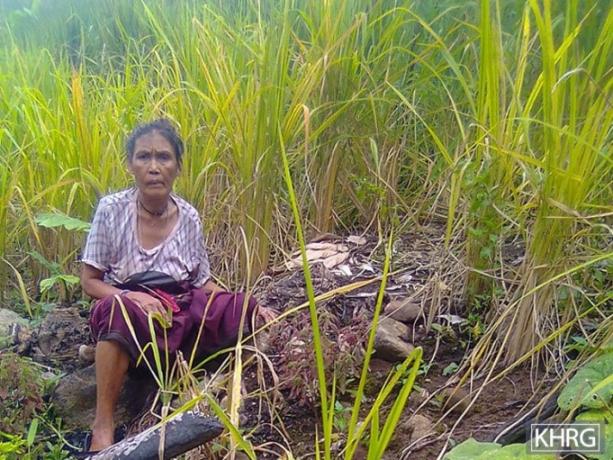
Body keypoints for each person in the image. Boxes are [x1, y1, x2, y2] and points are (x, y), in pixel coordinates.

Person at [80, 118, 275, 451]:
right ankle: (103, 426)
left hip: (178, 311)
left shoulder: (189, 217)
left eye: (163, 157)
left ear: (178, 167)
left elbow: (202, 282)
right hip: (129, 310)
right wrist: (133, 297)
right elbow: (90, 281)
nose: (154, 167)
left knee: (241, 306)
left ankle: (189, 377)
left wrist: (248, 306)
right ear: (130, 165)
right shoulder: (111, 210)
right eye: (144, 157)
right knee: (115, 310)